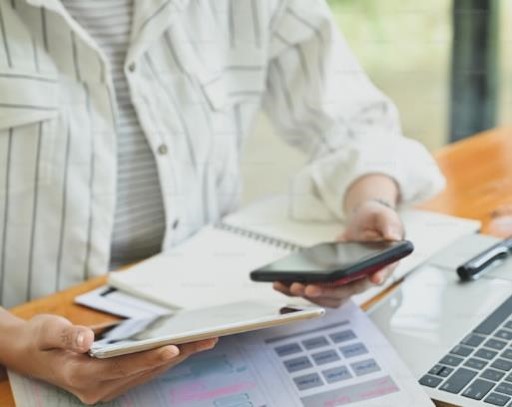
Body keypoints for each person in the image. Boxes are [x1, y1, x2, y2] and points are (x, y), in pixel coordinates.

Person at [0, 0, 444, 403]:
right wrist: (17, 343)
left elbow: (355, 122)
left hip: (206, 322)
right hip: (30, 328)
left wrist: (372, 202)